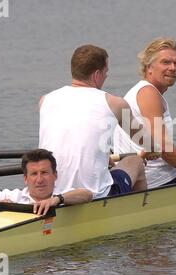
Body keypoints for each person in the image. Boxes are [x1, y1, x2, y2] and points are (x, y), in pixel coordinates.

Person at [39, 44, 147, 198]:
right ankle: (139, 212)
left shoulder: (45, 100)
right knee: (135, 161)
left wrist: (103, 157)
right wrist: (153, 149)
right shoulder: (115, 103)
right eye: (106, 72)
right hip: (94, 194)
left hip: (49, 191)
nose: (106, 76)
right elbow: (143, 140)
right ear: (97, 74)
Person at [113, 38, 176, 188]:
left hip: (143, 176)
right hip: (157, 181)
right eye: (165, 62)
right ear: (149, 67)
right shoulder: (148, 93)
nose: (173, 68)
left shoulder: (140, 91)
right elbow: (163, 146)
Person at [0, 149, 93, 215]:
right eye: (34, 174)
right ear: (25, 178)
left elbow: (87, 195)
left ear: (55, 175)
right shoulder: (13, 196)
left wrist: (56, 200)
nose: (39, 179)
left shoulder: (64, 194)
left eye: (45, 173)